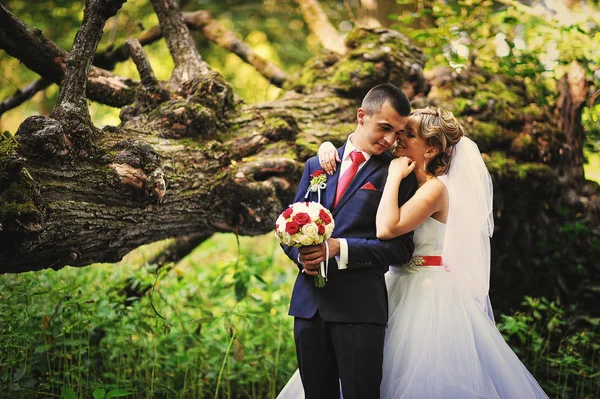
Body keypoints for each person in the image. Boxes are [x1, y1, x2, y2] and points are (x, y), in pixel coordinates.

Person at [278, 107, 549, 398]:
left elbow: (385, 229)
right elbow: (353, 166)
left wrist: (394, 176)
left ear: (431, 149)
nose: (397, 139)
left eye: (408, 134)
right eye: (397, 132)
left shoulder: (433, 190)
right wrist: (329, 147)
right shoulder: (402, 177)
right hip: (392, 286)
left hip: (427, 293)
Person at [280, 84, 418, 399]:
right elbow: (288, 224)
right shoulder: (317, 166)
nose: (389, 139)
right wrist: (300, 256)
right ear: (361, 116)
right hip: (308, 308)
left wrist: (340, 249)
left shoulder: (398, 175)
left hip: (360, 309)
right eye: (384, 127)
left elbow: (401, 249)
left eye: (397, 133)